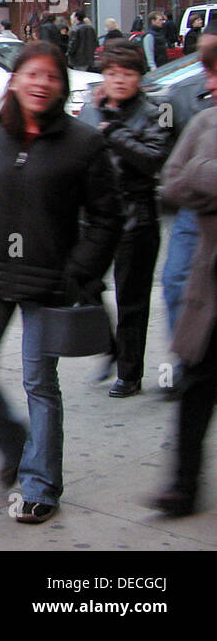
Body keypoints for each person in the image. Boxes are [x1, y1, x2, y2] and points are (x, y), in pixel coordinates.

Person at [0, 41, 120, 524]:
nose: (41, 83)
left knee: (39, 384)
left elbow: (107, 217)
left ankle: (41, 484)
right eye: (33, 74)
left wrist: (79, 271)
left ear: (62, 86)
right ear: (13, 81)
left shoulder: (84, 143)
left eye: (52, 76)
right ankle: (15, 444)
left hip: (50, 281)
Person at [78, 42, 173, 398]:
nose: (119, 80)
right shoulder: (92, 109)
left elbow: (153, 159)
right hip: (96, 216)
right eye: (112, 73)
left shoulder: (156, 111)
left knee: (132, 299)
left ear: (140, 78)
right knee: (79, 280)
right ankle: (111, 345)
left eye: (128, 74)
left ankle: (130, 373)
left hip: (138, 215)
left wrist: (114, 131)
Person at [154, 38, 217, 516]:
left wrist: (201, 178)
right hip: (210, 284)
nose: (208, 84)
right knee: (195, 388)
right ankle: (182, 486)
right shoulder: (202, 123)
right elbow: (172, 183)